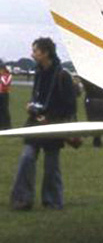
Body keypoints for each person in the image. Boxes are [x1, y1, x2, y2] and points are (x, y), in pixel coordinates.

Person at [10, 37, 78, 210]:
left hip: (53, 125)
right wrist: (32, 107)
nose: (32, 54)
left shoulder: (62, 74)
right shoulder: (39, 72)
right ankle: (22, 200)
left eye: (35, 51)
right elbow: (38, 96)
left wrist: (51, 116)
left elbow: (70, 105)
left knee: (51, 165)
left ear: (45, 53)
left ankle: (53, 201)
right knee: (26, 158)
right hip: (35, 122)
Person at [0, 63, 11, 130]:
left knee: (5, 110)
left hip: (5, 94)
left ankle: (7, 125)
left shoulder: (8, 75)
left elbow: (6, 83)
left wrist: (1, 77)